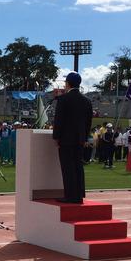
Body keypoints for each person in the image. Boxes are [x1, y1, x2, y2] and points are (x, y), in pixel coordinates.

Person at [52, 72, 93, 204]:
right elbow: (88, 122)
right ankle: (79, 194)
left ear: (68, 83)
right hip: (80, 139)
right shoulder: (86, 101)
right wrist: (85, 137)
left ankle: (70, 195)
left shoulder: (63, 99)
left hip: (66, 139)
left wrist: (56, 136)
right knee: (78, 166)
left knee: (67, 167)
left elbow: (59, 120)